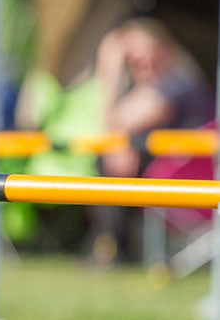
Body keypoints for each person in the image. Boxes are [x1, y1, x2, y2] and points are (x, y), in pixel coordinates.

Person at [89, 18, 214, 265]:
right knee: (112, 157)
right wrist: (122, 145)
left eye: (144, 55)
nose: (140, 63)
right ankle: (111, 246)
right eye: (131, 60)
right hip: (175, 165)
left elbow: (116, 120)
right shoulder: (161, 81)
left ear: (164, 49)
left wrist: (109, 69)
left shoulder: (176, 82)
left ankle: (111, 248)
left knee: (107, 163)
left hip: (189, 172)